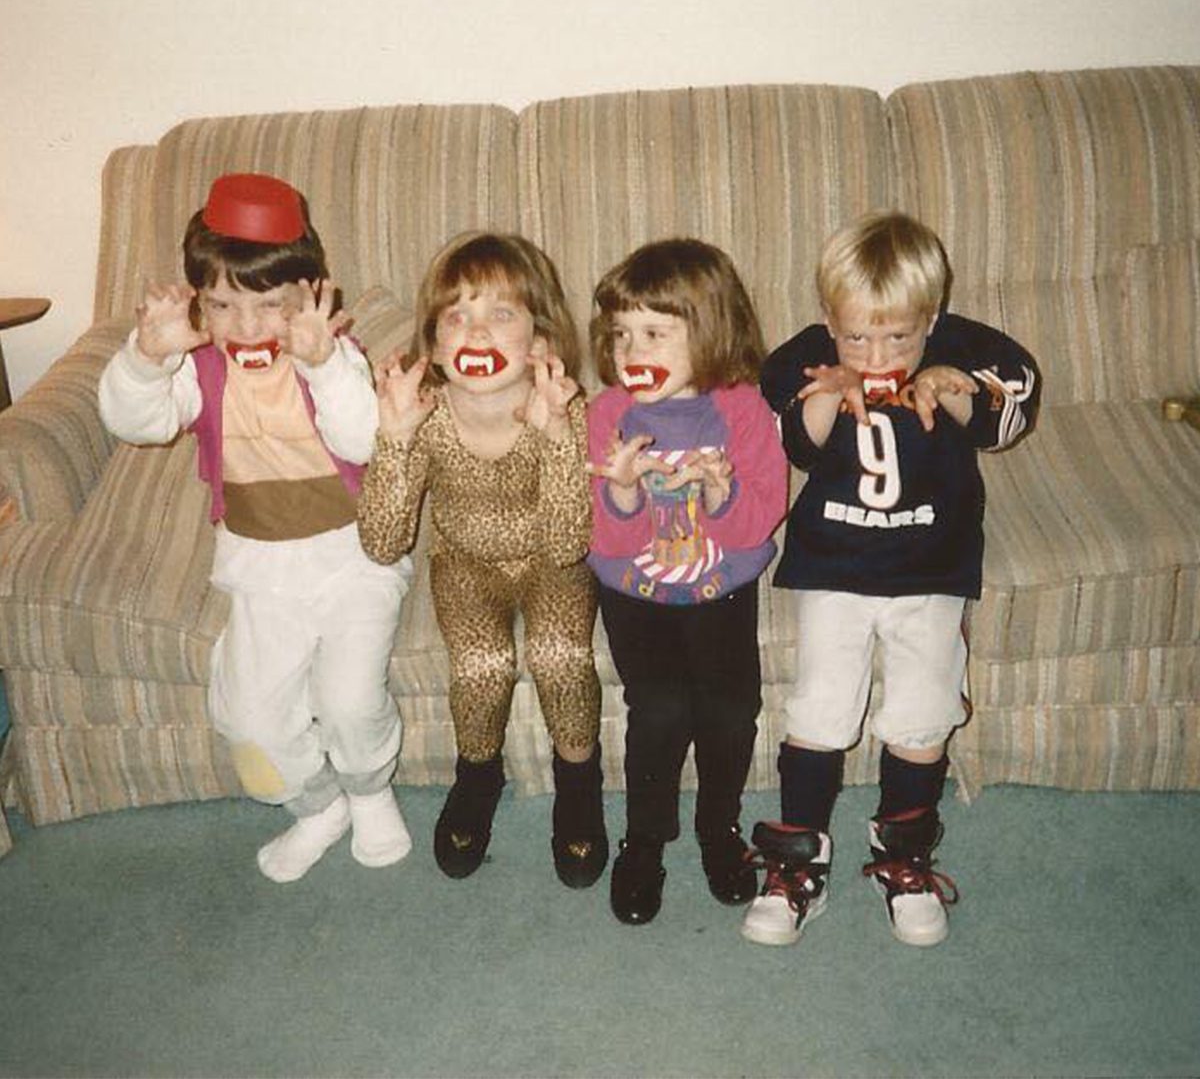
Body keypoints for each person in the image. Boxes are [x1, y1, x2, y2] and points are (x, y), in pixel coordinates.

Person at [98, 172, 413, 884]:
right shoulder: (197, 366)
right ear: (198, 304)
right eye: (223, 305)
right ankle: (317, 805)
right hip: (261, 567)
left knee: (349, 699)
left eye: (269, 306)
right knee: (247, 720)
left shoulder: (330, 354)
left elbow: (367, 442)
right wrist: (148, 357)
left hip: (354, 557)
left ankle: (370, 792)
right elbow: (134, 420)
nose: (245, 327)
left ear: (311, 297)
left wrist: (326, 364)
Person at [742, 210, 1041, 949]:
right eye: (857, 336)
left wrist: (958, 388)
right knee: (819, 706)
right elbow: (795, 447)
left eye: (899, 338)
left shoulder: (963, 347)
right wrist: (826, 391)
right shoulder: (812, 355)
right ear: (828, 320)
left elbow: (1011, 415)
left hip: (931, 565)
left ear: (930, 318)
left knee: (922, 711)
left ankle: (903, 856)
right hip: (835, 561)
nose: (876, 353)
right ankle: (798, 860)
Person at [356, 231, 607, 887]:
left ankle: (579, 780)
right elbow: (382, 543)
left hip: (550, 560)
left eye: (501, 314)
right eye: (458, 317)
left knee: (559, 653)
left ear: (540, 341)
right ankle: (478, 775)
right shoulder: (427, 415)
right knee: (482, 663)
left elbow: (566, 544)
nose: (478, 333)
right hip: (466, 562)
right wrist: (393, 440)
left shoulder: (563, 411)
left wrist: (555, 437)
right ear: (434, 344)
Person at [587, 238, 788, 926]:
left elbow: (758, 526)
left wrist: (723, 495)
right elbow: (603, 540)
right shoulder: (606, 415)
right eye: (620, 335)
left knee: (731, 711)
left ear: (708, 333)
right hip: (634, 593)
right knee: (662, 710)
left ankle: (718, 829)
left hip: (719, 589)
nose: (630, 351)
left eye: (653, 333)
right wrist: (618, 495)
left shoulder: (742, 412)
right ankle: (643, 840)